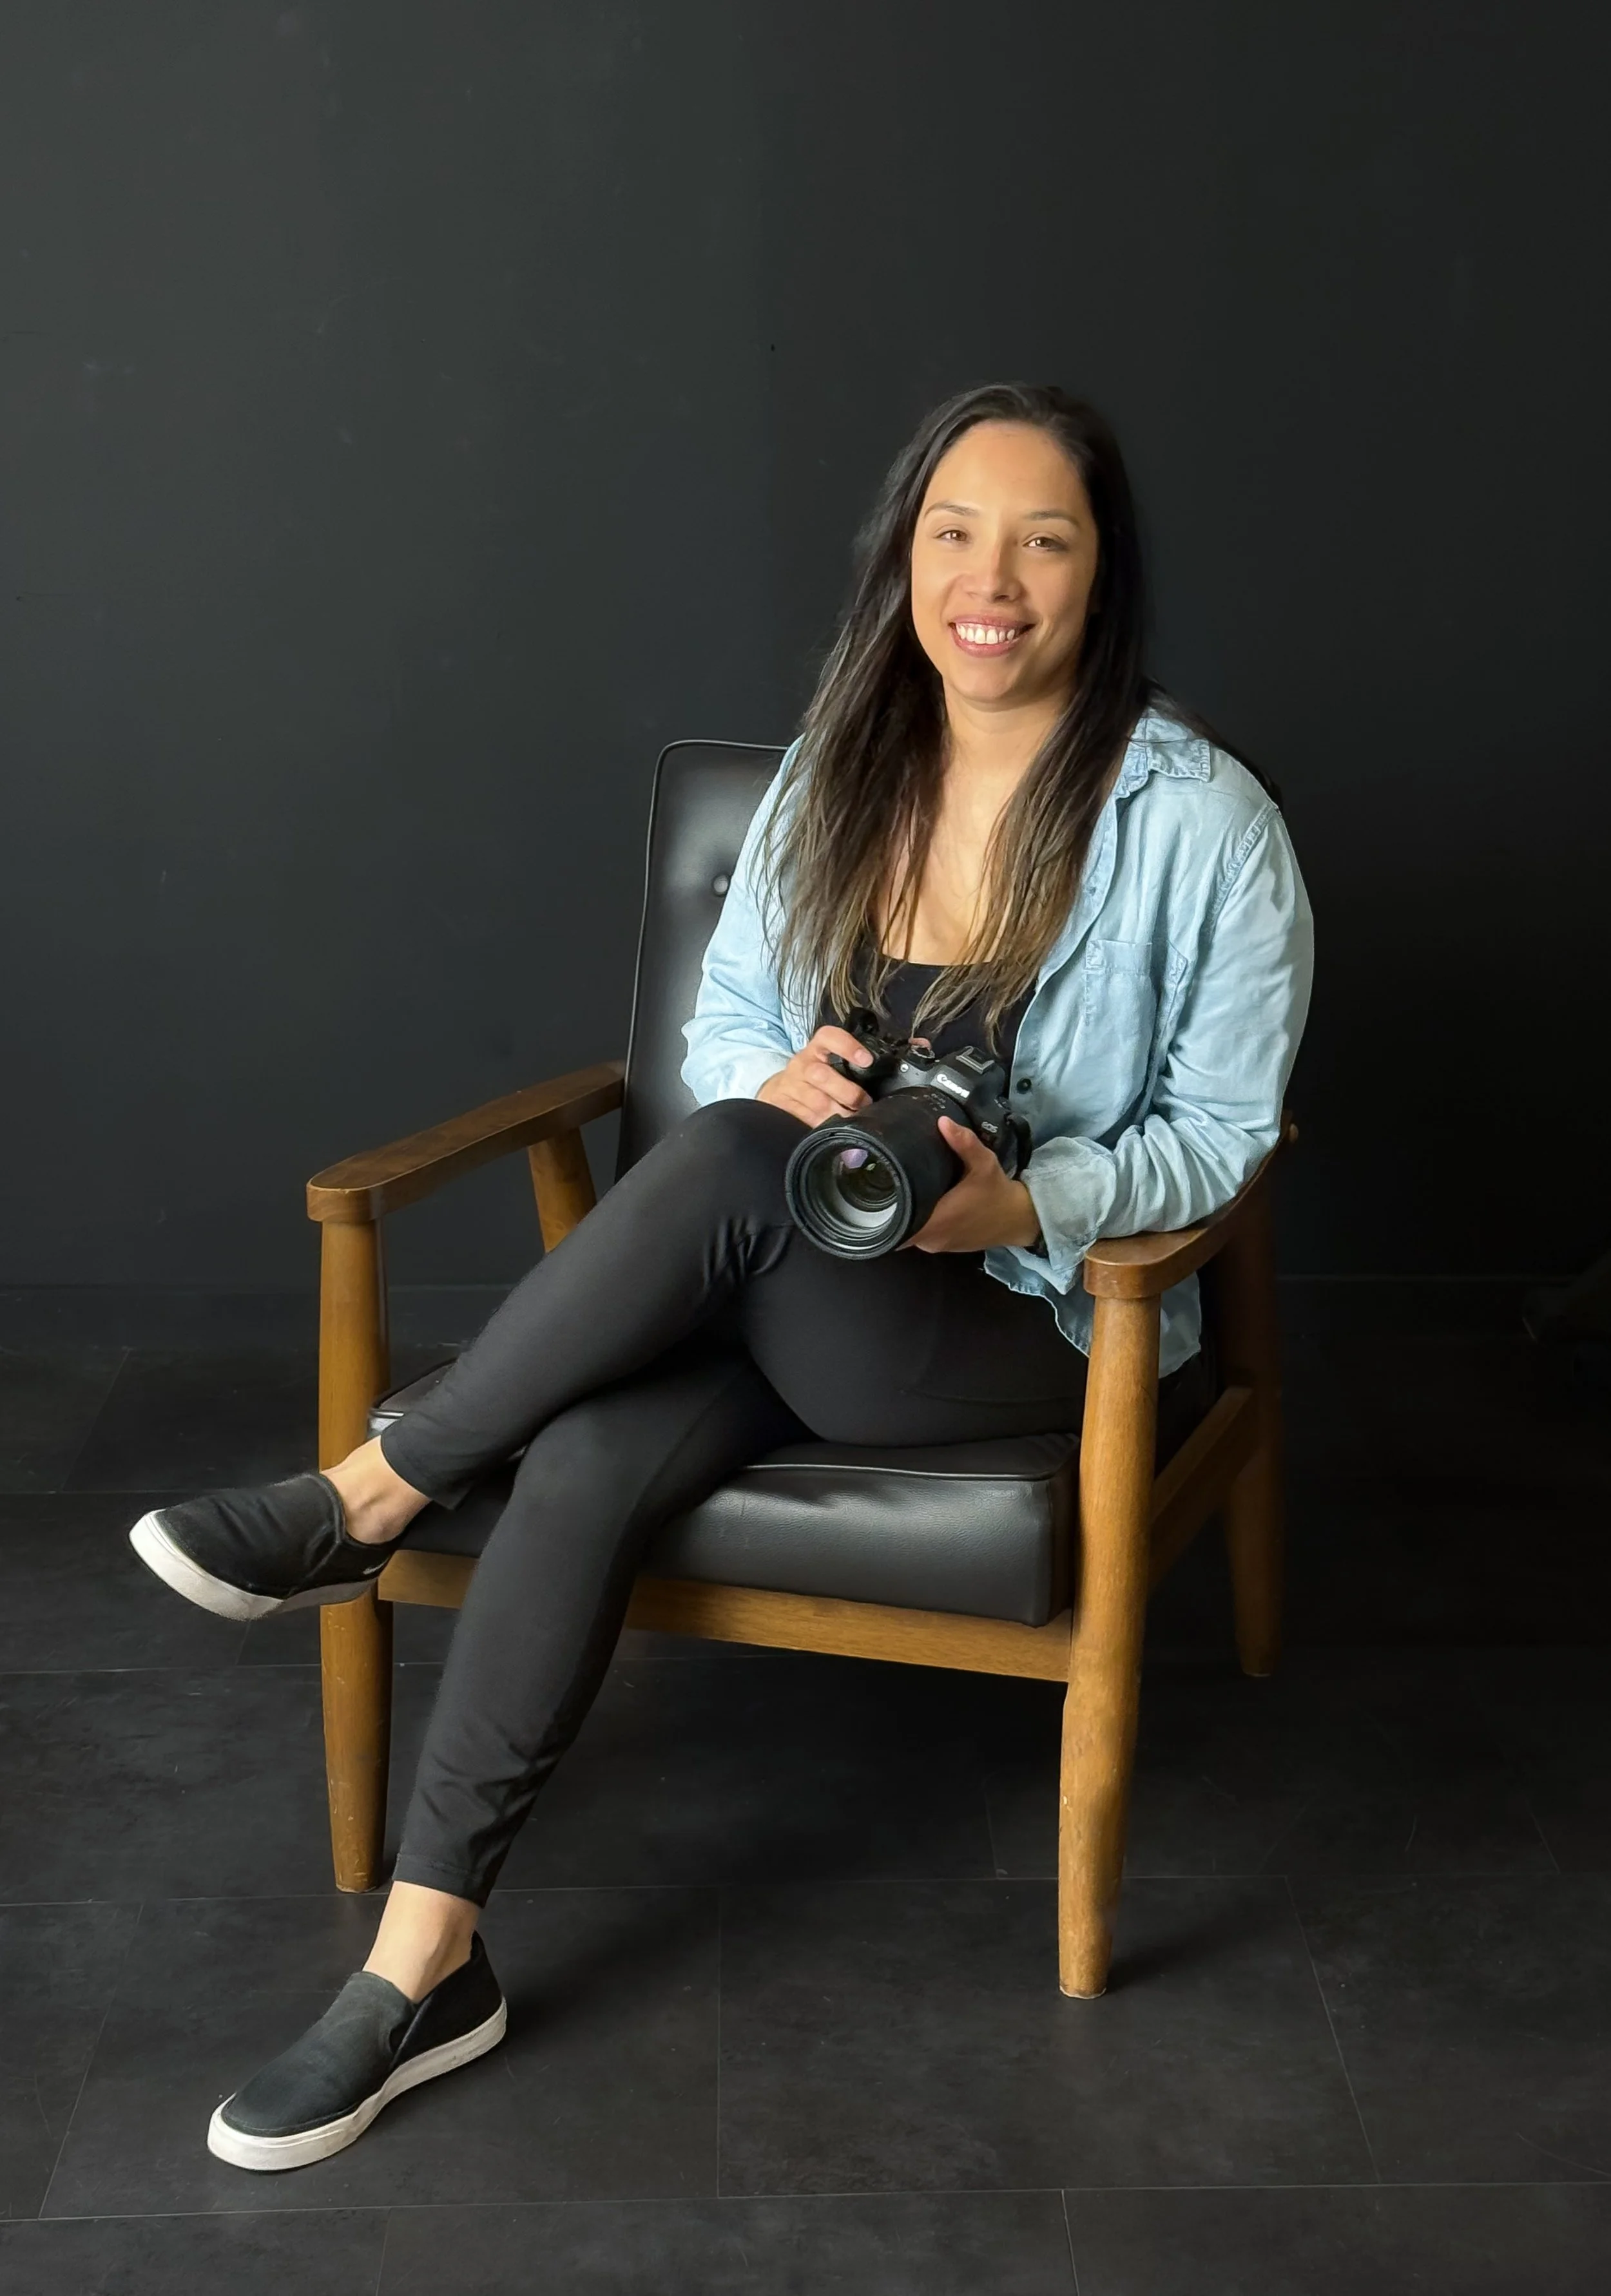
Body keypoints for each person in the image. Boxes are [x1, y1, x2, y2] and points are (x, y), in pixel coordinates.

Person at [128, 382, 1313, 2170]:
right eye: (952, 533)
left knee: (730, 1167)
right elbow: (731, 1026)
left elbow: (1220, 1140)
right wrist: (778, 1086)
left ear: (1101, 573)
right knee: (608, 1423)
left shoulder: (1203, 824)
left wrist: (1024, 1204)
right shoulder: (838, 771)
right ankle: (419, 1966)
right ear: (904, 559)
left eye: (1042, 539)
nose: (990, 579)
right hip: (797, 1283)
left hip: (1023, 1326)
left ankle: (374, 1486)